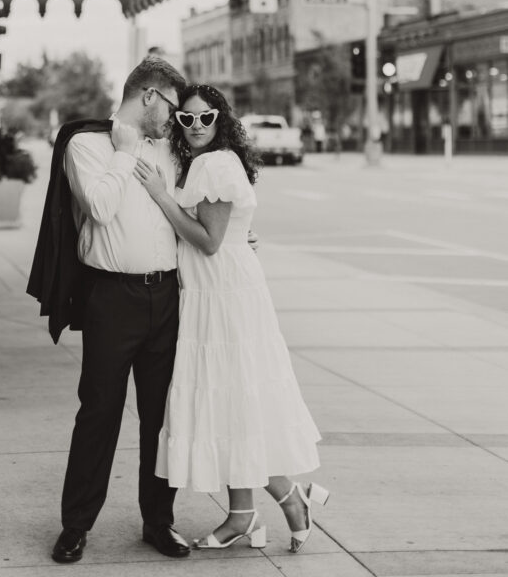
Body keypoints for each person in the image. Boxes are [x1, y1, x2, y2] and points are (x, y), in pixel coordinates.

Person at [134, 83, 327, 554]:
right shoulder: (208, 163)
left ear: (222, 119)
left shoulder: (215, 165)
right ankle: (246, 514)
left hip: (224, 295)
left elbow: (209, 240)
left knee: (233, 398)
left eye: (206, 117)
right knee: (230, 404)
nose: (196, 126)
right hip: (214, 291)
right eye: (187, 119)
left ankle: (286, 498)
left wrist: (160, 195)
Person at [44, 57, 190, 565]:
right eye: (171, 106)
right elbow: (101, 207)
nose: (175, 119)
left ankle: (159, 522)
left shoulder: (171, 150)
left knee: (161, 418)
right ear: (149, 96)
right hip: (111, 299)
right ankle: (75, 526)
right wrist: (125, 153)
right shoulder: (86, 146)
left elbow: (188, 210)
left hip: (167, 297)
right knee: (99, 413)